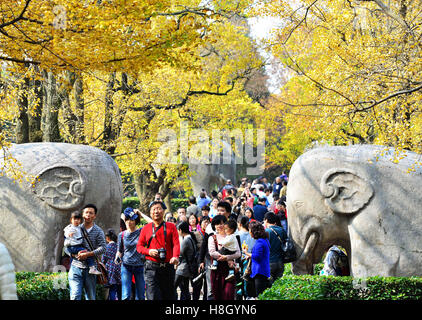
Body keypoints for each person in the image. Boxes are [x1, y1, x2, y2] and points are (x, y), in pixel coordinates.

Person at [136, 201, 180, 300]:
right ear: (150, 212)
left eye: (159, 208)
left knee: (169, 296)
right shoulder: (145, 229)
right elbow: (139, 247)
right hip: (151, 268)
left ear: (163, 211)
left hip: (168, 267)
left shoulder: (171, 226)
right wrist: (149, 251)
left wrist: (175, 256)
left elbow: (176, 244)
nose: (156, 211)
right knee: (153, 296)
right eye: (153, 209)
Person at [67, 204, 106, 300]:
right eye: (86, 212)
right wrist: (75, 255)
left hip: (91, 270)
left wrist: (88, 254)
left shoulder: (98, 231)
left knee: (90, 297)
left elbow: (103, 248)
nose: (88, 215)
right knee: (75, 296)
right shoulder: (75, 229)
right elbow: (66, 247)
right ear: (82, 215)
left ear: (95, 216)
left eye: (91, 213)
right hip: (75, 267)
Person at [208, 215, 241, 300]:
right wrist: (222, 257)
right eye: (217, 224)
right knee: (218, 295)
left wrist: (227, 257)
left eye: (221, 223)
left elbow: (238, 253)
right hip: (217, 270)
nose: (219, 226)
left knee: (228, 294)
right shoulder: (212, 238)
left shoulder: (233, 237)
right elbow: (212, 252)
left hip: (229, 270)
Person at [116, 207, 145, 300]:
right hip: (126, 266)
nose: (129, 222)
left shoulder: (141, 231)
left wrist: (141, 214)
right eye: (127, 219)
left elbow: (153, 224)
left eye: (131, 220)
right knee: (126, 295)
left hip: (140, 266)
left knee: (140, 295)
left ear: (135, 220)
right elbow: (120, 250)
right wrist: (117, 257)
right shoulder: (122, 234)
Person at [63, 211, 102, 275]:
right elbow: (67, 232)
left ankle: (91, 266)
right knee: (86, 253)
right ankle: (92, 268)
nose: (76, 221)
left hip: (77, 246)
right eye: (74, 219)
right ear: (71, 220)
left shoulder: (79, 228)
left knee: (86, 253)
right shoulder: (70, 227)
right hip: (72, 247)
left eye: (78, 219)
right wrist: (69, 234)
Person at [242, 221, 271, 298]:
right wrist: (250, 256)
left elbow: (257, 257)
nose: (249, 232)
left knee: (260, 295)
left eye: (250, 230)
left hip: (259, 271)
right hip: (263, 270)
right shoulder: (264, 240)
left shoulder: (259, 242)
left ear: (253, 231)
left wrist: (246, 253)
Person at [175, 221, 198, 300]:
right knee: (185, 289)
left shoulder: (186, 241)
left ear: (180, 230)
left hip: (182, 268)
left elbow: (179, 254)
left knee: (172, 287)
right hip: (187, 268)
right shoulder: (190, 238)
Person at [263, 212, 287, 284]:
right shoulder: (281, 230)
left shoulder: (266, 232)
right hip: (280, 262)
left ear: (266, 220)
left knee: (270, 286)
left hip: (269, 262)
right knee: (279, 285)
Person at [102, 229, 121, 300]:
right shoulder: (118, 246)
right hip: (119, 269)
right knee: (119, 289)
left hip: (110, 270)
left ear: (107, 238)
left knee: (112, 289)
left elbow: (103, 260)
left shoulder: (106, 247)